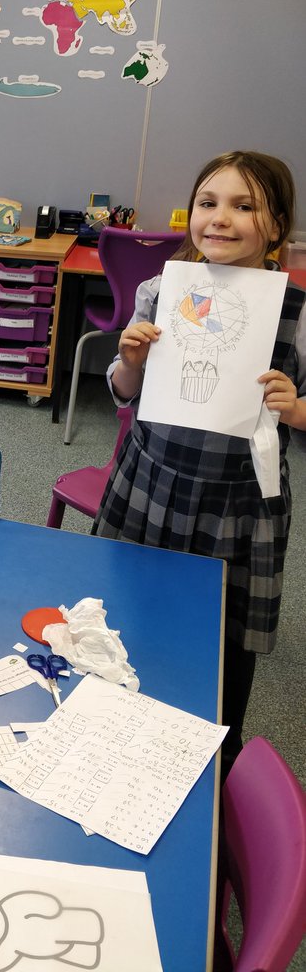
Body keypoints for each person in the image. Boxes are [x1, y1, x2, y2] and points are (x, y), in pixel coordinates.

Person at [93, 151, 305, 775]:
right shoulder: (161, 291)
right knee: (129, 610)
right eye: (209, 203)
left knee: (224, 641)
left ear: (276, 224)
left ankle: (215, 752)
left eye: (244, 206)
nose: (221, 219)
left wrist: (294, 411)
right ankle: (110, 725)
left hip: (239, 501)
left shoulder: (294, 314)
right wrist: (129, 360)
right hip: (151, 480)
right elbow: (123, 391)